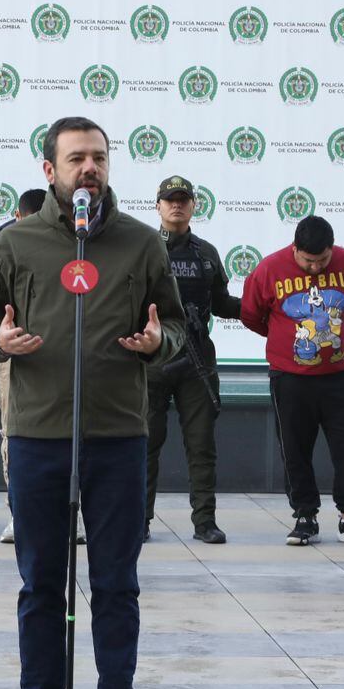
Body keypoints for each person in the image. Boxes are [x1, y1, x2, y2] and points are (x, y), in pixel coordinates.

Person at [0, 115, 186, 689]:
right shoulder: (17, 244)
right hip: (38, 434)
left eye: (98, 158)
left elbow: (172, 325)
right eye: (76, 159)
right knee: (40, 583)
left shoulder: (142, 244)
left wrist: (156, 344)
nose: (89, 168)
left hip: (118, 435)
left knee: (116, 583)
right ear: (50, 171)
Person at [241, 215, 344, 546]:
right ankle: (304, 515)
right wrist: (284, 339)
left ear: (332, 249)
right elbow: (251, 314)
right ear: (295, 248)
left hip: (340, 374)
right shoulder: (270, 268)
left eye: (323, 260)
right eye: (308, 261)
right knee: (294, 448)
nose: (315, 268)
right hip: (290, 377)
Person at [145, 175, 241, 544]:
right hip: (152, 361)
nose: (177, 205)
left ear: (193, 206)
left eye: (183, 199)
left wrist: (265, 308)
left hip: (197, 361)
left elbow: (222, 303)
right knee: (145, 445)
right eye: (170, 199)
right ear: (158, 205)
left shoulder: (206, 253)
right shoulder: (143, 248)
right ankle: (140, 521)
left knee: (202, 447)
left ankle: (205, 522)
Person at [0, 187, 47, 544]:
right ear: (18, 218)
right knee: (13, 434)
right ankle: (18, 514)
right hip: (14, 357)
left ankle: (74, 514)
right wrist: (1, 340)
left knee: (76, 433)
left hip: (63, 355)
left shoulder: (71, 245)